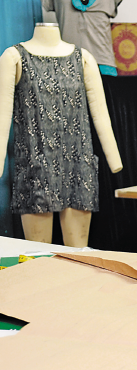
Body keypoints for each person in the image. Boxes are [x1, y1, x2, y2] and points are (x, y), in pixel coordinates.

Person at [0, 23, 123, 247]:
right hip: (35, 166)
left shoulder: (83, 58)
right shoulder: (14, 57)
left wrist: (114, 159)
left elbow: (101, 114)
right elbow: (2, 116)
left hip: (77, 165)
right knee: (38, 254)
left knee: (78, 254)